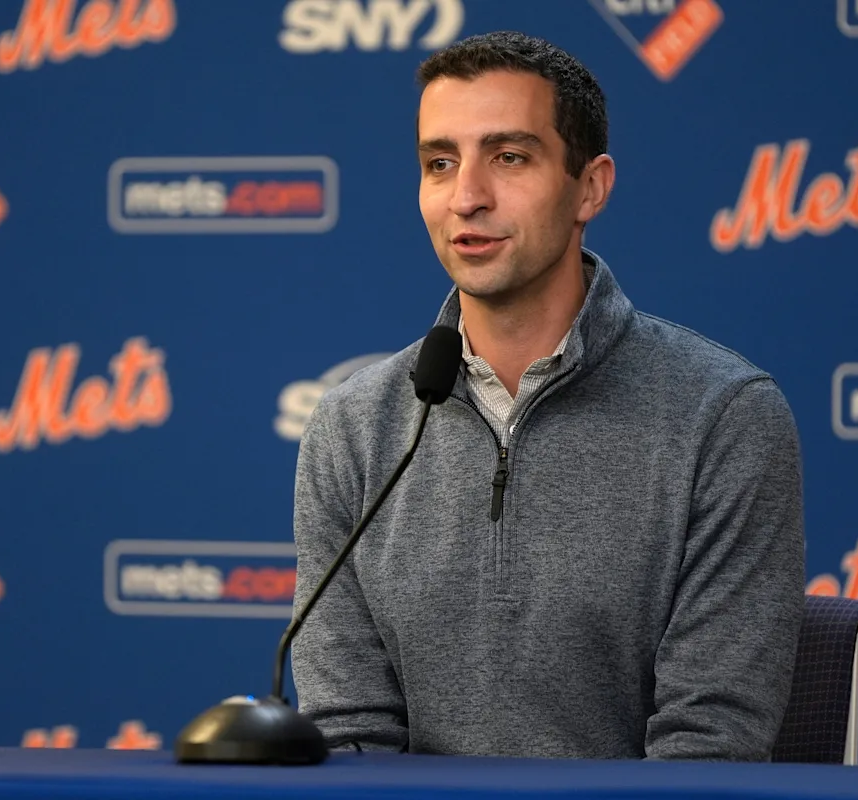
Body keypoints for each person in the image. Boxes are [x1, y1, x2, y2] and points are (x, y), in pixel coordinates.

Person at [291, 30, 805, 761]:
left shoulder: (724, 416)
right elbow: (349, 738)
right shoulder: (352, 426)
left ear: (589, 187)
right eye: (440, 163)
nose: (467, 197)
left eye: (509, 157)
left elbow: (707, 749)